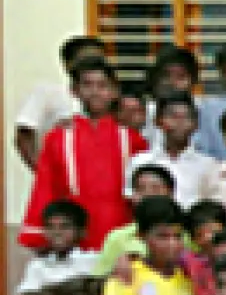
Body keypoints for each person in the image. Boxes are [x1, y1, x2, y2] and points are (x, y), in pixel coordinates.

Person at [21, 57, 147, 251]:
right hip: (73, 235)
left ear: (115, 92)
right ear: (74, 90)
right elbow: (46, 185)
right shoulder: (58, 137)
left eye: (102, 85)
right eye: (87, 85)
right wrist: (41, 235)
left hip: (121, 232)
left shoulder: (132, 138)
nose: (95, 92)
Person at [14, 35, 103, 169]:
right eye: (87, 58)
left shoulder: (108, 96)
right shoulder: (48, 92)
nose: (93, 64)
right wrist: (42, 172)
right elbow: (24, 135)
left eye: (99, 59)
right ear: (68, 63)